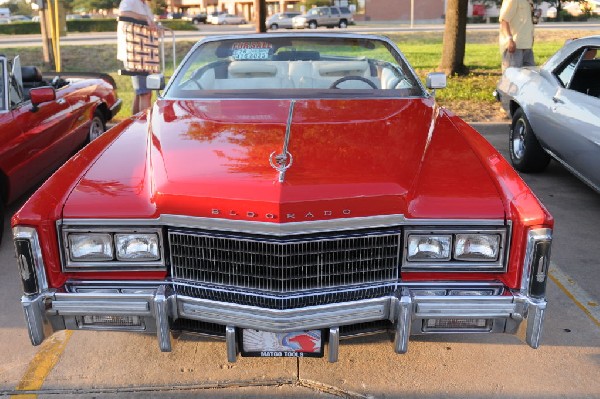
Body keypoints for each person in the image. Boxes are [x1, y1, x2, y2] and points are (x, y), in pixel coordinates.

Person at [117, 0, 156, 114]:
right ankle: (145, 126)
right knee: (145, 93)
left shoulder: (144, 4)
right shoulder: (130, 0)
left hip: (145, 51)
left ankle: (134, 124)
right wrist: (144, 18)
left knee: (140, 92)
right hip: (135, 52)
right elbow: (123, 13)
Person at [499, 0, 535, 72]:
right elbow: (504, 20)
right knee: (512, 78)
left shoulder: (529, 1)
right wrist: (510, 39)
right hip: (514, 47)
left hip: (527, 47)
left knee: (530, 79)